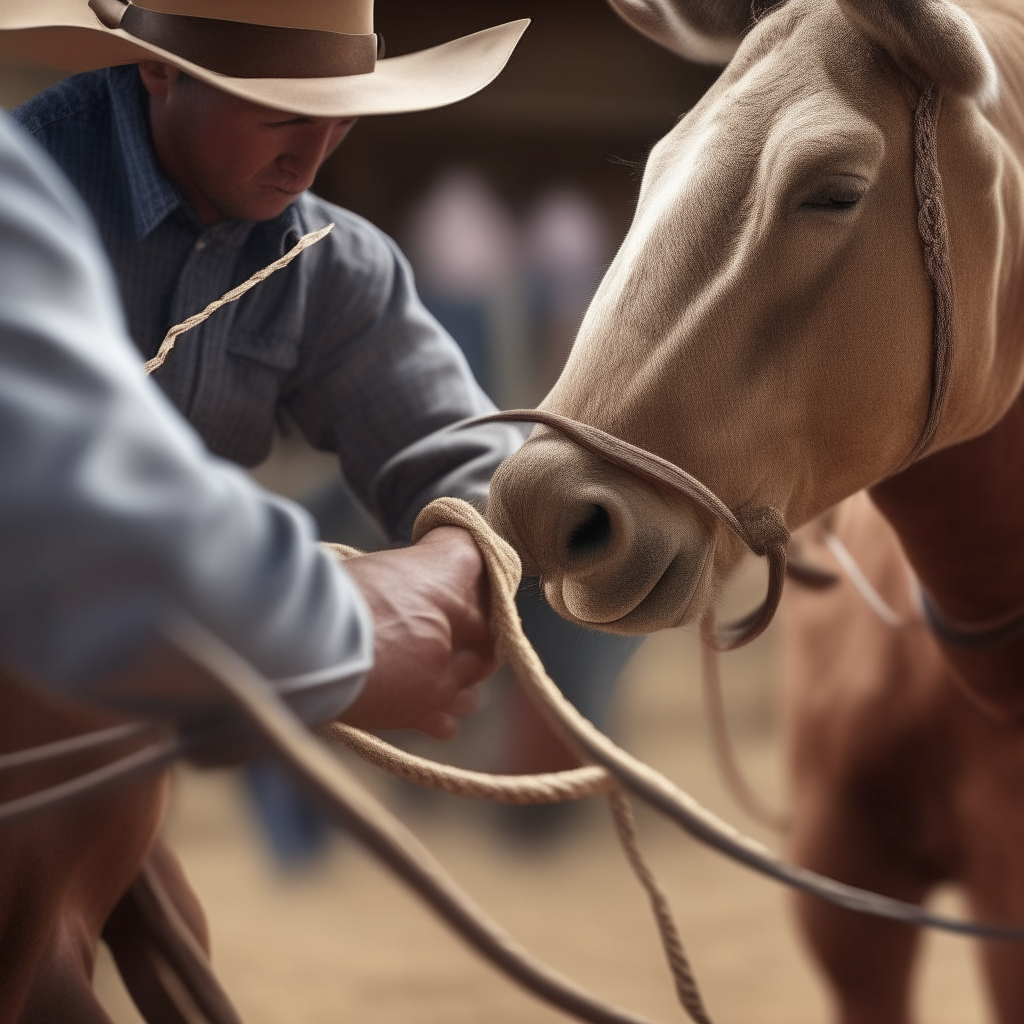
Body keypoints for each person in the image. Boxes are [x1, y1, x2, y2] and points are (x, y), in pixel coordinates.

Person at [0, 102, 493, 749]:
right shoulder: (24, 190)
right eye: (282, 119)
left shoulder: (330, 262)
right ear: (162, 70)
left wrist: (456, 559)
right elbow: (68, 524)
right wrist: (351, 625)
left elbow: (468, 460)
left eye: (341, 121)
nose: (311, 160)